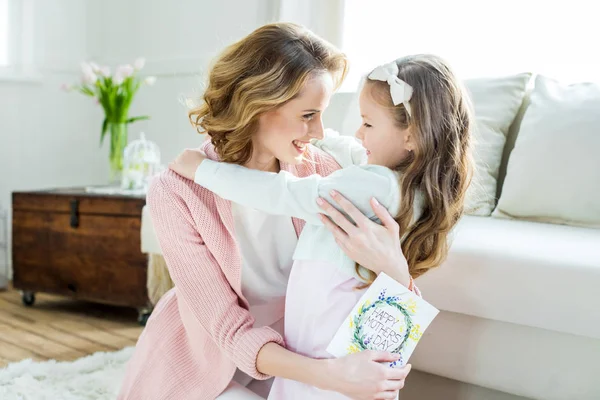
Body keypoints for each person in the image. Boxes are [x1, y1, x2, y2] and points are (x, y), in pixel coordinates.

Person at [118, 23, 413, 400]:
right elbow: (228, 331)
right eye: (308, 115)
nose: (320, 132)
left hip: (303, 360)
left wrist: (395, 269)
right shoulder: (177, 191)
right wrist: (332, 375)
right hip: (212, 366)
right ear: (256, 106)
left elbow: (381, 294)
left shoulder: (323, 174)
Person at [170, 54, 473, 399]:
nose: (359, 133)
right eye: (309, 116)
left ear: (412, 136)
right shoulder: (406, 185)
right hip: (338, 332)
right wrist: (322, 138)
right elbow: (355, 152)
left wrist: (203, 171)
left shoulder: (374, 185)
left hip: (323, 336)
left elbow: (285, 194)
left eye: (368, 125)